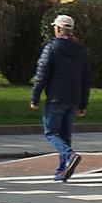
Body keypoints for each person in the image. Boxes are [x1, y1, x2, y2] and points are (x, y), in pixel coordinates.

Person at [30, 14, 91, 182]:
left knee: (51, 133)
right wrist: (83, 103)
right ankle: (61, 171)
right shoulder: (80, 50)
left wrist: (35, 98)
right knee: (65, 135)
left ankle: (70, 156)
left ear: (57, 29)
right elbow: (86, 78)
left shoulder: (51, 48)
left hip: (56, 98)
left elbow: (41, 75)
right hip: (74, 99)